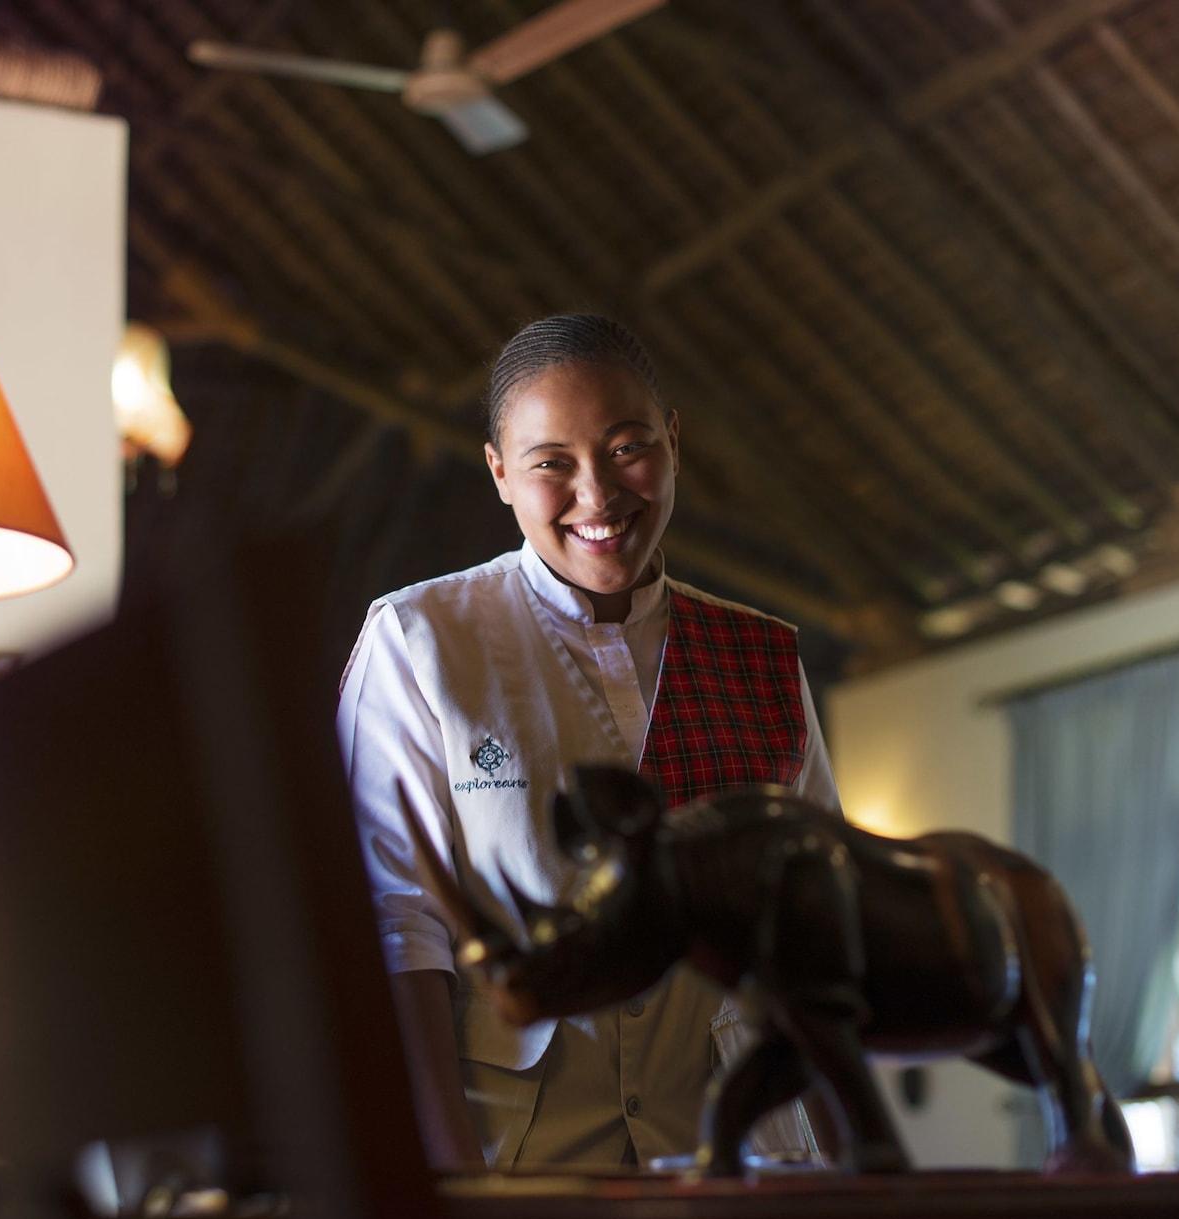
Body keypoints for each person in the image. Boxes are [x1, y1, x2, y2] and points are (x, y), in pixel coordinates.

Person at [336, 314, 842, 1171]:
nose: (599, 495)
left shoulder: (757, 656)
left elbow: (818, 924)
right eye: (551, 464)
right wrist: (452, 1184)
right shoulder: (424, 642)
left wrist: (857, 1177)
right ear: (500, 472)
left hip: (737, 1156)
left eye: (626, 447)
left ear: (673, 442)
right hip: (519, 1156)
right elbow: (400, 925)